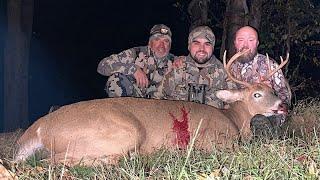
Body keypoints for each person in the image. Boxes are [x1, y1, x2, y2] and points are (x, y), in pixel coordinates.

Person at [154, 26, 236, 108]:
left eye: (207, 44)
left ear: (213, 47)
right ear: (189, 46)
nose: (202, 49)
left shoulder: (224, 73)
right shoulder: (176, 68)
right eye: (196, 43)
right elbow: (157, 101)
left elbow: (233, 109)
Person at [230, 26, 291, 132]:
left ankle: (269, 131)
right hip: (241, 114)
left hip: (268, 112)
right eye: (241, 40)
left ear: (257, 43)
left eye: (251, 40)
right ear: (235, 43)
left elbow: (284, 94)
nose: (245, 45)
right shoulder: (230, 69)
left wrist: (270, 92)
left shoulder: (269, 65)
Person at [97, 24, 175, 98]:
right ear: (149, 43)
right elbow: (102, 66)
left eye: (166, 41)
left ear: (170, 45)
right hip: (134, 102)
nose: (161, 45)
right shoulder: (135, 53)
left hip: (160, 105)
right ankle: (120, 110)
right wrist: (133, 69)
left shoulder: (175, 62)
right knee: (116, 78)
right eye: (157, 39)